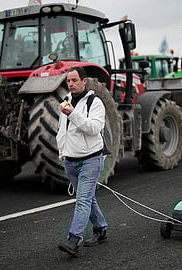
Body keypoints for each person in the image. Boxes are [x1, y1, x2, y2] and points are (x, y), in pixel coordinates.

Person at [56, 66, 108, 257]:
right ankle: (101, 228)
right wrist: (63, 153)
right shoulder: (66, 102)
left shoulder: (95, 102)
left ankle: (73, 239)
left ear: (84, 81)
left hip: (90, 159)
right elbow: (62, 131)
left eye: (74, 80)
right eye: (68, 81)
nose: (70, 84)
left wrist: (73, 114)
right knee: (88, 198)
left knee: (83, 199)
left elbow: (94, 128)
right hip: (70, 160)